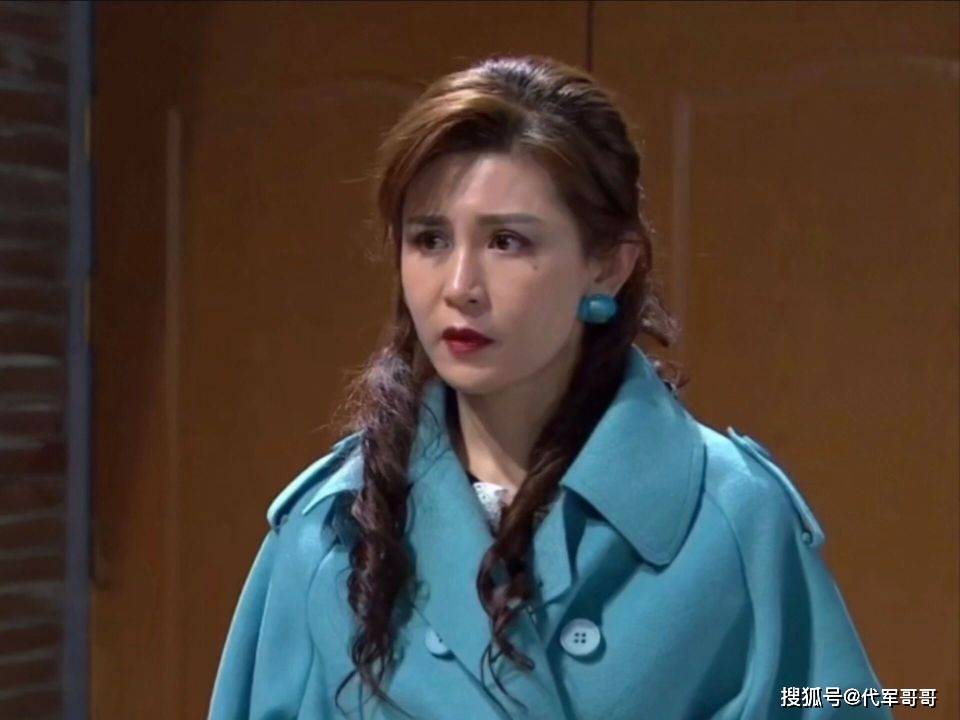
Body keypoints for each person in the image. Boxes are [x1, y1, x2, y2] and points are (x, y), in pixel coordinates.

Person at [208, 55, 891, 719]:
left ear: (608, 266)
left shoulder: (733, 517)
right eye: (430, 240)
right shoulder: (333, 530)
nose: (460, 287)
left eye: (507, 242)